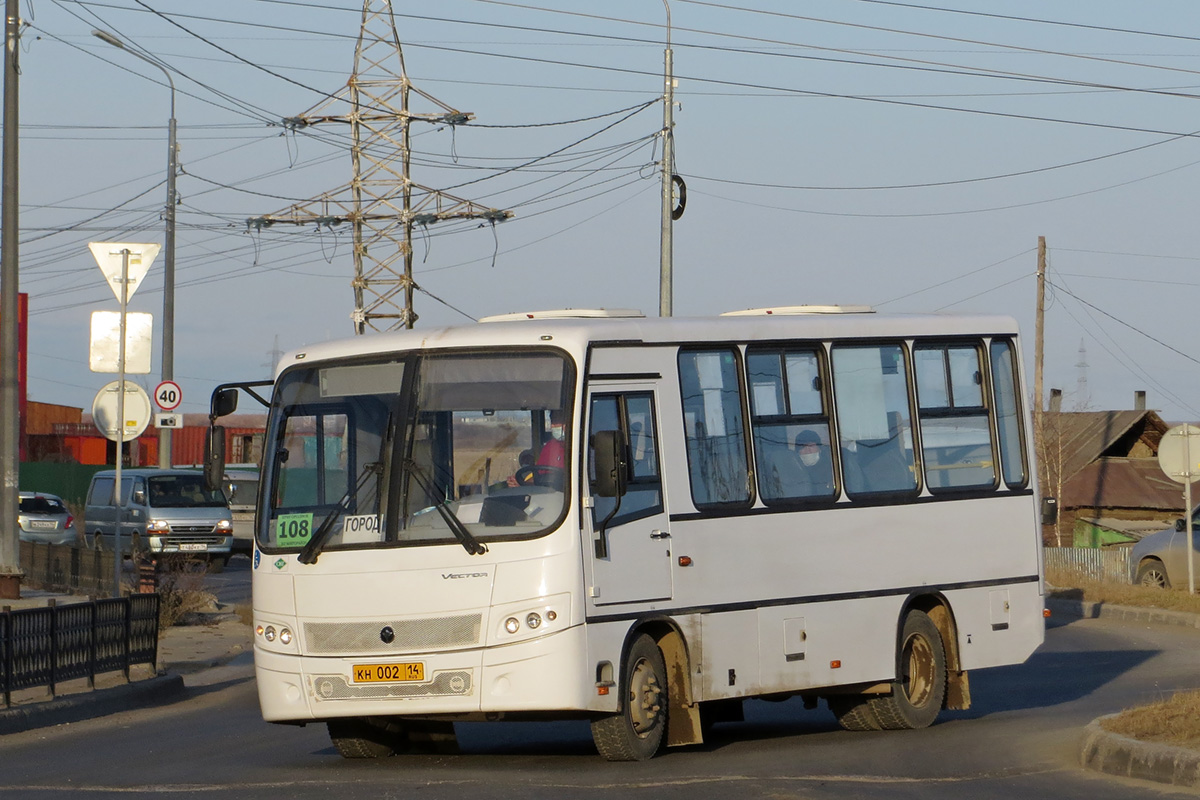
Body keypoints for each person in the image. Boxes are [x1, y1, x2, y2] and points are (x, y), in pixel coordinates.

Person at [792, 429, 834, 497]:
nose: (808, 450)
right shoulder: (793, 471)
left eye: (811, 446)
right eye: (803, 446)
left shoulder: (832, 468)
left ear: (819, 448)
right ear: (797, 451)